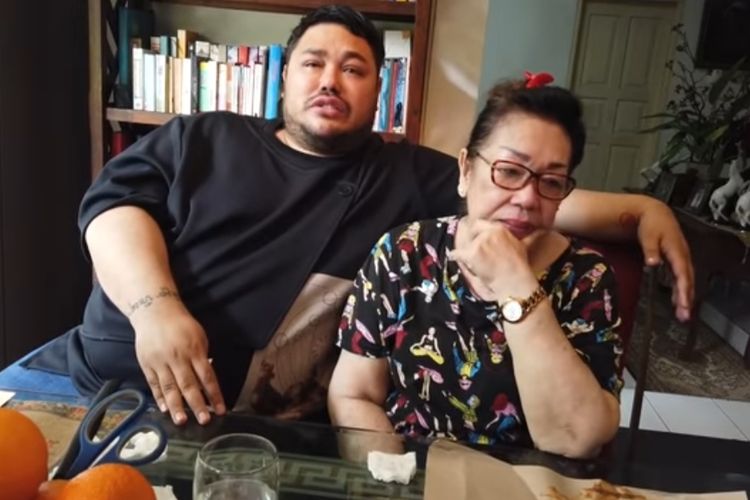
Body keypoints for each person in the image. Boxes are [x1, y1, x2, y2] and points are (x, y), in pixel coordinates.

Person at [28, 5, 692, 428]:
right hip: (82, 381)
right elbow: (112, 208)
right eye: (313, 63)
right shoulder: (204, 136)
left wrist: (644, 209)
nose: (330, 80)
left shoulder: (406, 175)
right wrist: (156, 311)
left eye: (354, 68)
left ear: (380, 90)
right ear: (284, 77)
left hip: (235, 428)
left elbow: (524, 193)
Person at [328, 79, 621, 458]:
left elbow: (575, 439)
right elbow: (354, 394)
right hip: (411, 470)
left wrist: (516, 283)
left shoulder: (586, 278)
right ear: (466, 170)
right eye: (510, 171)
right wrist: (389, 477)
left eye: (551, 181)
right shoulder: (403, 252)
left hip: (529, 481)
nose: (527, 198)